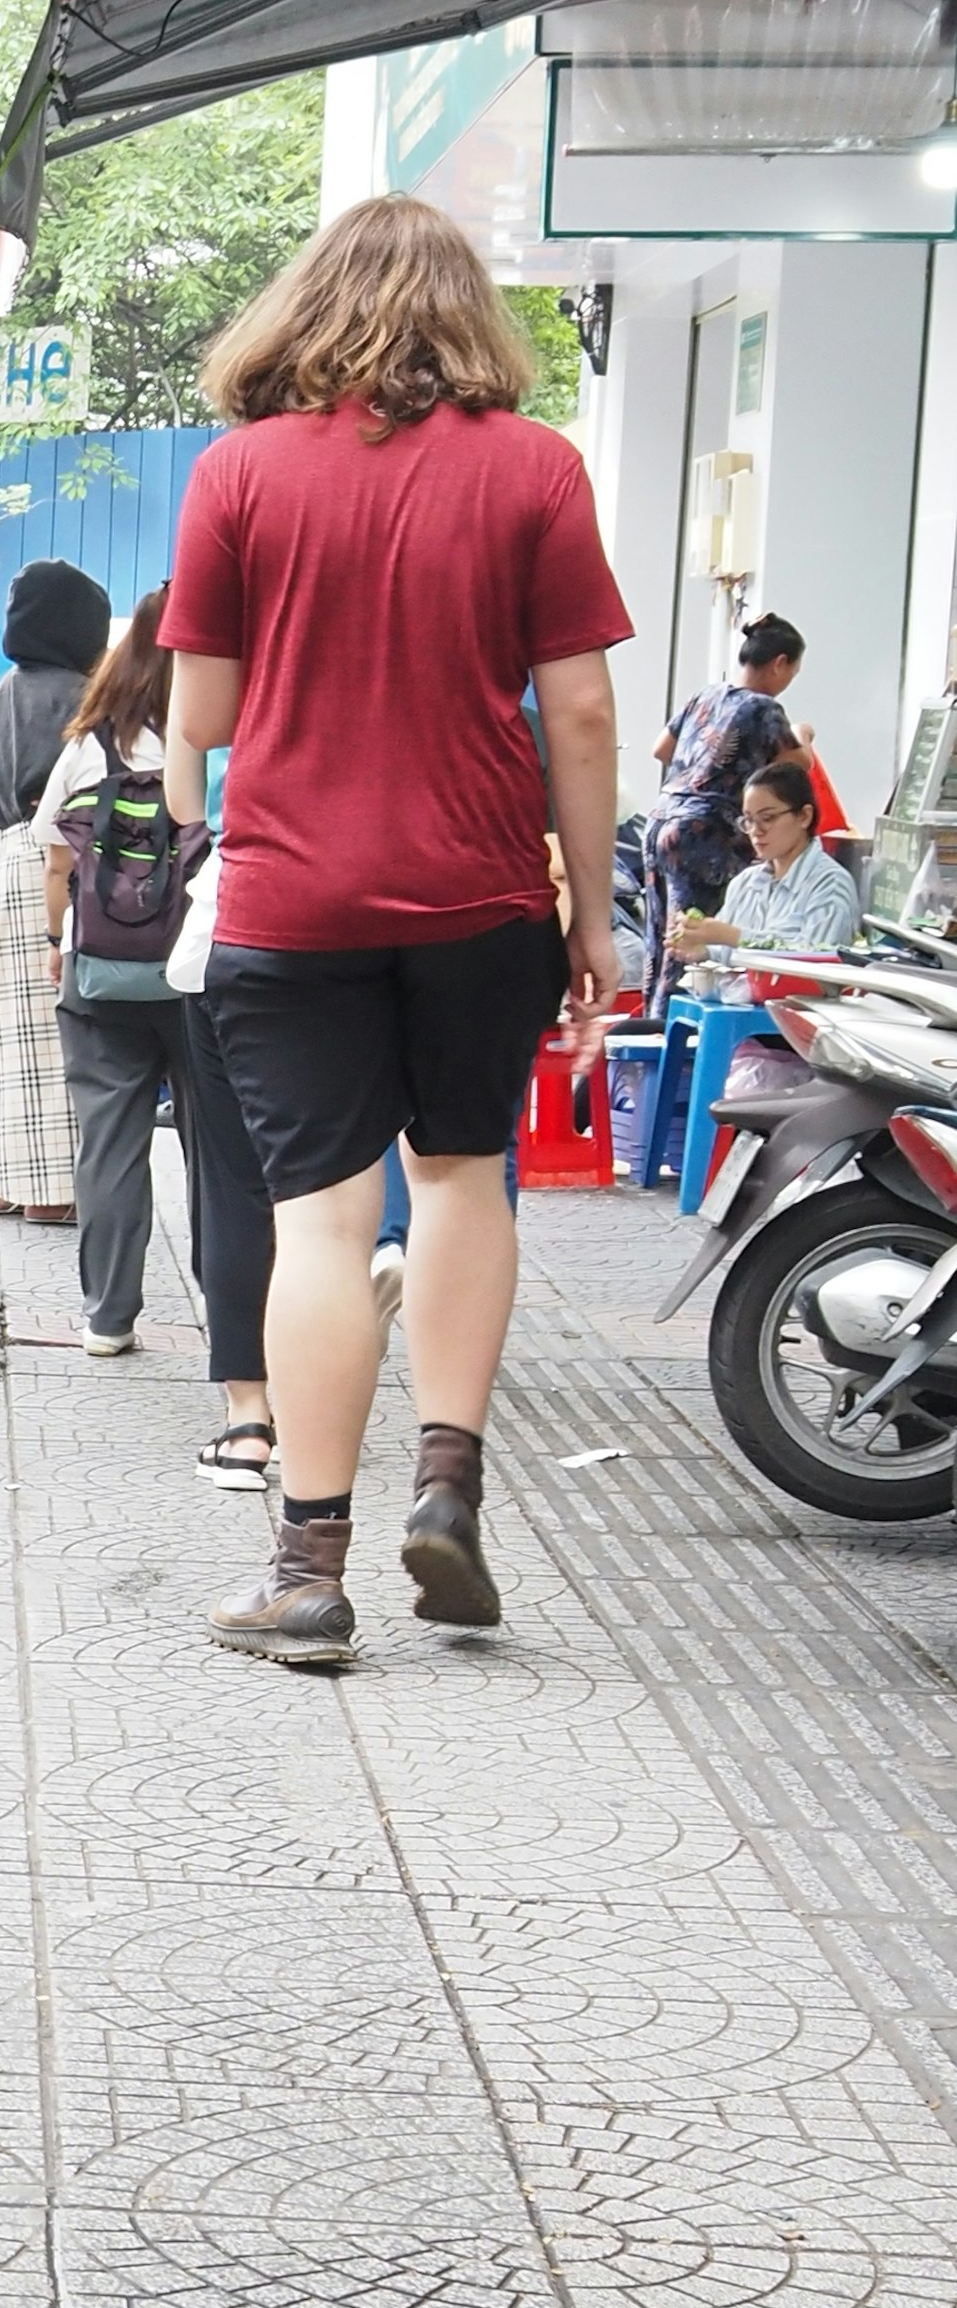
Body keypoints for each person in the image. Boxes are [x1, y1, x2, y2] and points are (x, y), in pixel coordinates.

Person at [160, 195, 628, 1664]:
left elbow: (209, 717)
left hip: (294, 899)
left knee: (322, 1217)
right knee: (468, 1176)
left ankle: (307, 1568)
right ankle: (447, 1485)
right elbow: (586, 709)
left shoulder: (239, 473)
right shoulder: (538, 470)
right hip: (483, 893)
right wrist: (594, 914)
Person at [39, 592, 274, 1446]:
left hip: (101, 975)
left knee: (108, 1141)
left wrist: (53, 943)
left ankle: (108, 1316)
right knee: (219, 1152)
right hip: (200, 973)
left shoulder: (86, 747)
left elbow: (56, 862)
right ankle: (230, 1315)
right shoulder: (227, 739)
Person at [0, 559, 108, 1215]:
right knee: (54, 1026)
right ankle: (49, 1194)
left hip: (2, 856)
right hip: (56, 858)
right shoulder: (80, 697)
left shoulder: (1, 692)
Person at [644, 615, 807, 1000]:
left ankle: (650, 1034)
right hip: (704, 835)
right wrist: (805, 735)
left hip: (662, 821)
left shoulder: (706, 695)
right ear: (779, 663)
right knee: (691, 944)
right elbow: (798, 765)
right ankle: (674, 1041)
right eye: (793, 672)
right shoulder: (764, 708)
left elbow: (661, 750)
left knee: (661, 940)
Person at [713, 755, 865, 962]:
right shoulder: (744, 883)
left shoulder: (830, 884)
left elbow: (816, 962)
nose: (756, 831)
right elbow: (720, 950)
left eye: (767, 819)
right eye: (749, 821)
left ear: (804, 816)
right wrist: (700, 949)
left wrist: (734, 937)